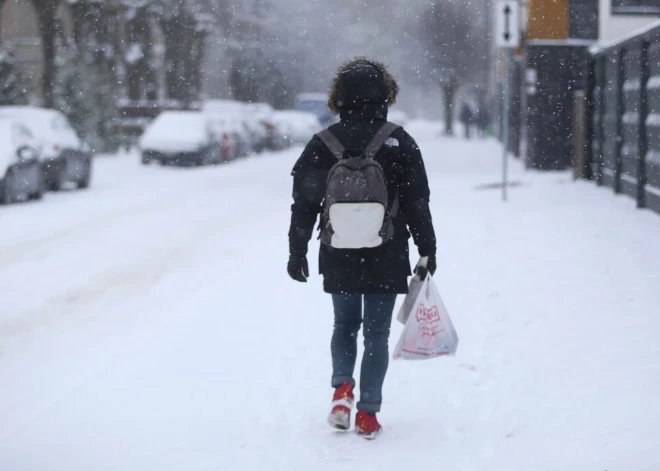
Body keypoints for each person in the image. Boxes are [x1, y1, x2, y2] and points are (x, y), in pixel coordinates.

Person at [287, 58, 437, 439]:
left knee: (344, 324)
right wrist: (427, 247)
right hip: (386, 249)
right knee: (375, 333)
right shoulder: (399, 140)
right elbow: (419, 200)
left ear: (338, 98)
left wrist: (297, 250)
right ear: (384, 95)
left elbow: (303, 202)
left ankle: (341, 390)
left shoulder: (324, 143)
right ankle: (368, 412)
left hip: (338, 248)